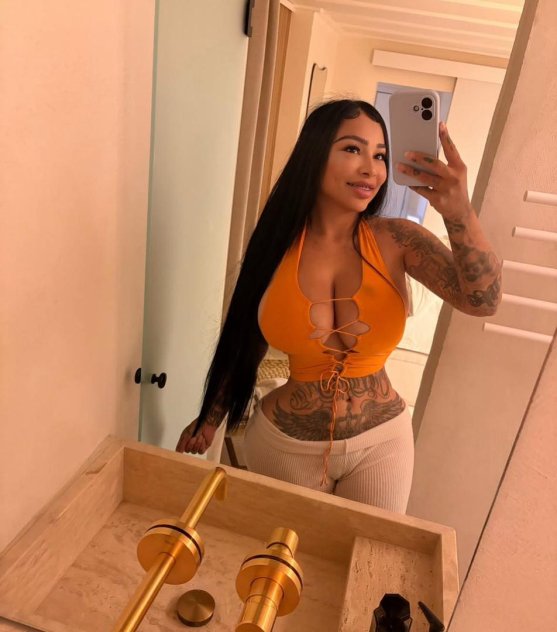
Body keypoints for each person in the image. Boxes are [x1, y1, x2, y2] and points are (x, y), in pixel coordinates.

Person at [175, 99, 501, 513]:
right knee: (281, 551)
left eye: (379, 155)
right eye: (352, 149)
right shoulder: (274, 246)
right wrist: (211, 417)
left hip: (382, 445)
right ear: (314, 155)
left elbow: (483, 300)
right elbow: (246, 339)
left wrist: (460, 212)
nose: (371, 169)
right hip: (284, 447)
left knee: (369, 551)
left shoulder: (397, 240)